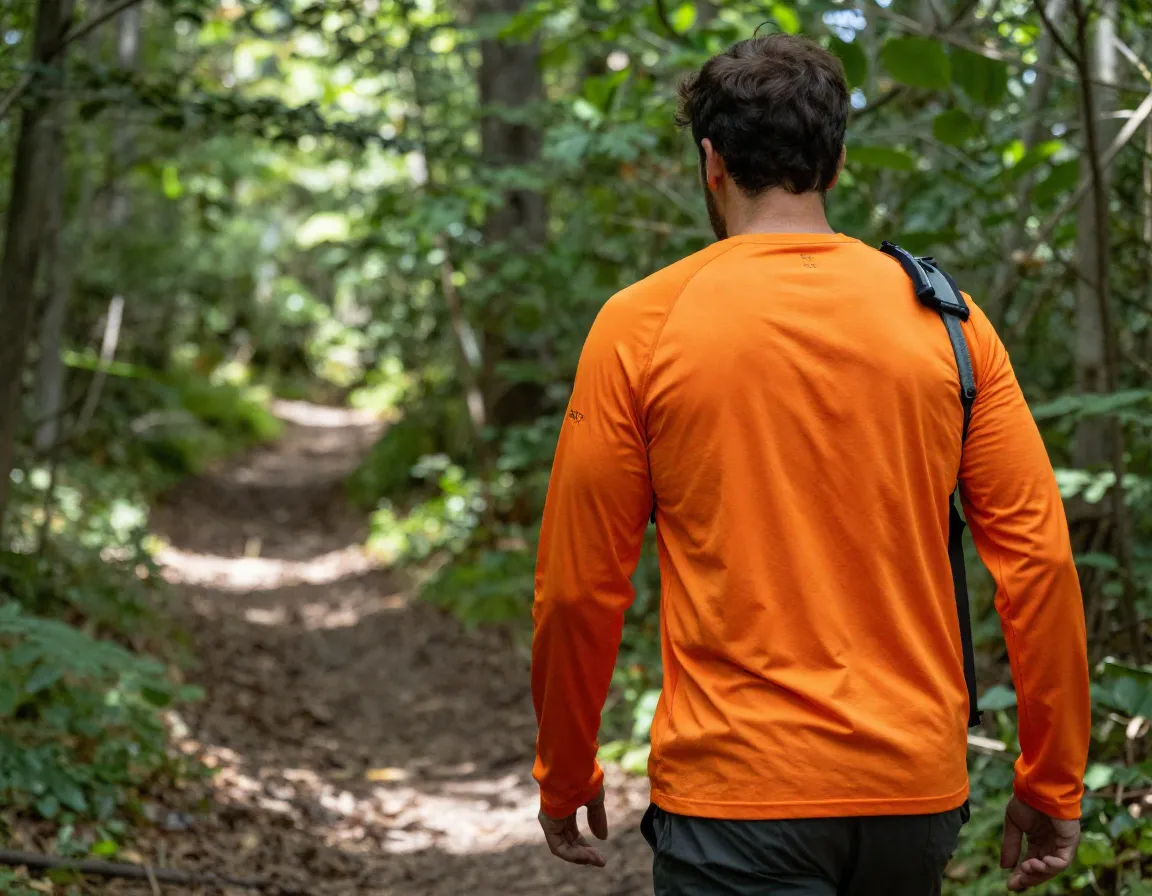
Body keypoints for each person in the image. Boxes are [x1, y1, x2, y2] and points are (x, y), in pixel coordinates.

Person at [530, 32, 1090, 896]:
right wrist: (1052, 780)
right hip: (912, 798)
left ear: (712, 162)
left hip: (736, 798)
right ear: (833, 165)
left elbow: (578, 588)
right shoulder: (949, 324)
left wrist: (565, 772)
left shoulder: (642, 324)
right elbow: (1040, 566)